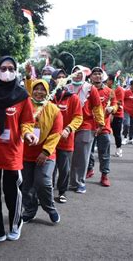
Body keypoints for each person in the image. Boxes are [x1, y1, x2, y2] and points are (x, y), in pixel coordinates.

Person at [0, 56, 37, 248]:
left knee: (12, 192)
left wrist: (28, 133)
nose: (6, 71)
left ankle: (15, 224)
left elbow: (27, 121)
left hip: (12, 152)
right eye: (3, 68)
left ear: (15, 71)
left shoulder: (21, 96)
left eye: (10, 68)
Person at [22, 79, 63, 224]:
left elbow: (56, 133)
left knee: (43, 182)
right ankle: (29, 210)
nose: (39, 92)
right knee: (26, 185)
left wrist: (45, 152)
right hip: (26, 154)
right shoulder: (25, 105)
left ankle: (50, 208)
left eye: (42, 89)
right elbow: (22, 124)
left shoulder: (54, 110)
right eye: (36, 89)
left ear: (47, 91)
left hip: (47, 154)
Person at [68, 65, 105, 194]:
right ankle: (70, 181)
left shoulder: (90, 89)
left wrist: (100, 123)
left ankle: (79, 182)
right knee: (70, 155)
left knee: (82, 156)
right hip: (69, 126)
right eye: (75, 72)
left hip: (86, 125)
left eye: (80, 73)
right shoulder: (67, 88)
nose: (77, 75)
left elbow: (97, 107)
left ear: (84, 75)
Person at [51, 69, 83, 203]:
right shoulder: (48, 97)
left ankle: (62, 191)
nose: (61, 79)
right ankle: (47, 191)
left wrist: (68, 129)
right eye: (58, 77)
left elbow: (78, 117)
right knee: (49, 168)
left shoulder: (72, 97)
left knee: (64, 169)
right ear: (53, 80)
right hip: (50, 141)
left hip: (65, 140)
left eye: (64, 77)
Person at [87, 68, 117, 187]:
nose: (97, 76)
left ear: (103, 76)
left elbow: (115, 104)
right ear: (91, 77)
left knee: (104, 152)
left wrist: (112, 109)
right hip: (89, 126)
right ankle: (89, 169)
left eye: (99, 74)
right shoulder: (86, 90)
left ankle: (104, 175)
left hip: (104, 127)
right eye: (95, 74)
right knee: (87, 152)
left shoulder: (109, 91)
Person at [107, 74, 125, 157]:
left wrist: (113, 114)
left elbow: (119, 103)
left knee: (116, 133)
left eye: (107, 80)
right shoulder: (109, 89)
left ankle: (119, 149)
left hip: (117, 115)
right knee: (105, 132)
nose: (106, 82)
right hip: (107, 114)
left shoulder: (119, 89)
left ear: (111, 81)